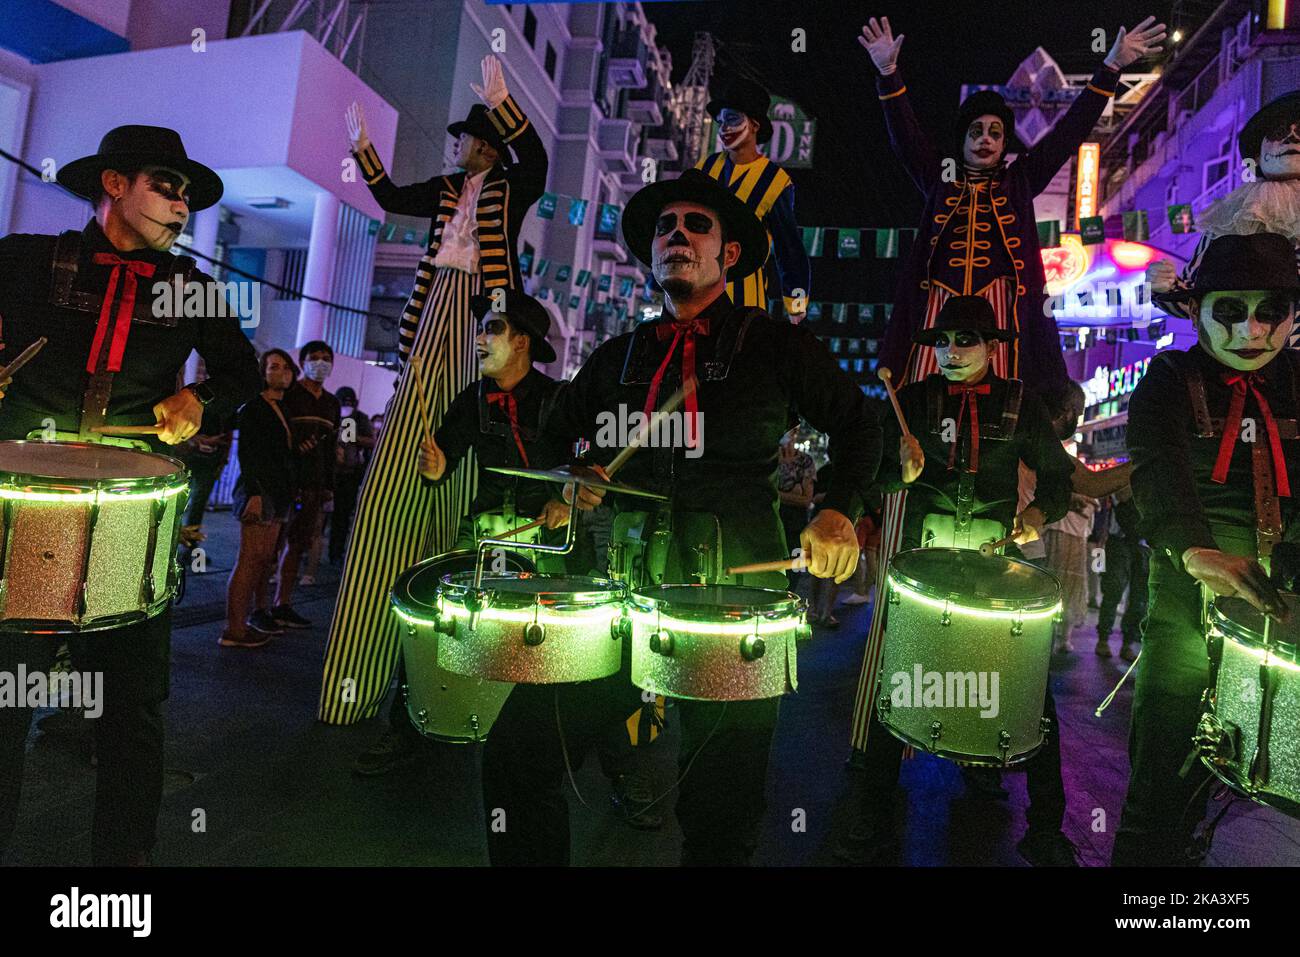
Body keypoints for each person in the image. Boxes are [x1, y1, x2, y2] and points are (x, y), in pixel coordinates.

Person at [480, 168, 881, 866]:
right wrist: (569, 479)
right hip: (614, 595)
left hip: (733, 603)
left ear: (729, 254)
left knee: (719, 815)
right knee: (515, 762)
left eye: (697, 224)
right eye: (666, 226)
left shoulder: (773, 344)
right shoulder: (622, 354)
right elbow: (551, 435)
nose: (677, 235)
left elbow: (859, 422)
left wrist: (839, 509)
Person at [848, 14, 1166, 758]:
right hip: (937, 323)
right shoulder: (943, 177)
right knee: (917, 446)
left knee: (1001, 446)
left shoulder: (1024, 179)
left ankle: (993, 659)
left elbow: (1067, 136)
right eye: (976, 131)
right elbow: (907, 143)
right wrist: (890, 75)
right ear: (961, 143)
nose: (986, 139)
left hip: (1004, 325)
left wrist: (1110, 68)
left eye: (995, 130)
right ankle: (900, 602)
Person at [0, 124, 260, 864]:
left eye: (187, 196)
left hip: (128, 520)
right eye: (166, 186)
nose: (182, 207)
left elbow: (238, 373)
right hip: (24, 512)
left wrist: (201, 402)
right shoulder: (21, 260)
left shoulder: (195, 288)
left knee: (131, 712)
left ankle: (124, 875)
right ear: (114, 184)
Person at [322, 54, 548, 724]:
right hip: (433, 317)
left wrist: (508, 105)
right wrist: (363, 152)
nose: (459, 146)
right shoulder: (448, 189)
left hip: (484, 315)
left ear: (487, 144)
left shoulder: (511, 185)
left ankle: (447, 679)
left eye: (469, 138)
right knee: (413, 438)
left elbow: (533, 158)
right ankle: (360, 683)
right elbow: (391, 197)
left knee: (469, 424)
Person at [836, 295, 1079, 866]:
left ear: (992, 347)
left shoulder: (1021, 402)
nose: (950, 352)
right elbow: (871, 480)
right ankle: (871, 811)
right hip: (924, 564)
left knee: (1025, 689)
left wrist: (1036, 517)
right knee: (898, 679)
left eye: (964, 340)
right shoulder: (913, 401)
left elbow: (1059, 478)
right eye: (942, 342)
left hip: (997, 570)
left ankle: (1042, 827)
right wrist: (899, 471)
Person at [1113, 233, 1298, 866]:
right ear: (1197, 311)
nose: (1252, 329)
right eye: (1230, 309)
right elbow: (1157, 467)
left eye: (1271, 310)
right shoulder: (1168, 379)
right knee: (1162, 777)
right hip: (1189, 597)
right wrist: (1196, 550)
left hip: (1289, 604)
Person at [352, 290, 570, 775]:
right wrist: (435, 465)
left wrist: (568, 499)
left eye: (492, 329)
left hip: (547, 538)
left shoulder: (561, 399)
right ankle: (409, 725)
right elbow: (443, 465)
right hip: (486, 535)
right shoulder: (471, 398)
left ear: (522, 342)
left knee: (551, 638)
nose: (480, 338)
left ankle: (563, 744)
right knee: (443, 622)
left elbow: (586, 464)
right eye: (481, 328)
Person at [1147, 91, 1300, 338]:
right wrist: (1164, 286)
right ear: (1258, 155)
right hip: (1252, 354)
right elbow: (1196, 299)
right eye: (1277, 132)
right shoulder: (1236, 214)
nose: (1291, 138)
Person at [697, 75, 810, 322]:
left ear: (755, 125)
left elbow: (788, 248)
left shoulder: (776, 181)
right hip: (696, 293)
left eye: (733, 119)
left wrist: (797, 307)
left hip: (745, 301)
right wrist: (657, 281)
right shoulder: (705, 168)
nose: (724, 128)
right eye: (721, 121)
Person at [223, 349, 298, 648]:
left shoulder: (283, 408)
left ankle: (245, 623)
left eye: (286, 367)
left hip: (279, 492)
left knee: (263, 559)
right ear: (263, 372)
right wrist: (254, 492)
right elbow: (248, 454)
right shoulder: (254, 407)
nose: (281, 372)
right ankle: (234, 629)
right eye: (274, 367)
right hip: (260, 490)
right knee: (249, 560)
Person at [271, 339, 340, 628]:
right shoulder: (289, 396)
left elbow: (331, 448)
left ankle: (282, 603)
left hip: (314, 485)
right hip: (284, 483)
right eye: (315, 357)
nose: (320, 363)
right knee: (269, 547)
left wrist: (328, 486)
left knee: (298, 544)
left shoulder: (331, 403)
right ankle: (259, 606)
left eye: (326, 358)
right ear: (302, 362)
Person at [1095, 487, 1148, 662]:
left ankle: (1127, 643)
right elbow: (1120, 496)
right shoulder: (1127, 478)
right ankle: (1104, 639)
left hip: (1144, 544)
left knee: (1139, 598)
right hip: (1120, 540)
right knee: (1114, 590)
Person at [329, 386, 374, 564]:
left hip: (349, 474)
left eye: (350, 402)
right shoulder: (331, 412)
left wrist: (352, 437)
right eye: (344, 402)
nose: (347, 405)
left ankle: (336, 552)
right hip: (328, 473)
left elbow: (371, 441)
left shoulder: (360, 418)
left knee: (342, 515)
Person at [776, 427, 816, 588]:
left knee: (793, 575)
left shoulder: (805, 461)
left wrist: (776, 493)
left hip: (795, 526)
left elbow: (806, 499)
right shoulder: (770, 460)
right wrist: (795, 492)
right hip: (773, 524)